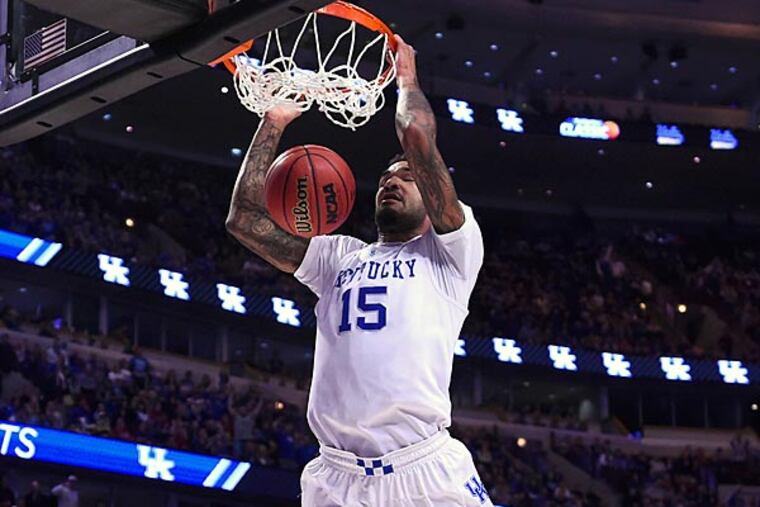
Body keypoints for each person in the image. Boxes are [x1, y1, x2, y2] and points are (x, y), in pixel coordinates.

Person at [226, 34, 491, 506]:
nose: (392, 181)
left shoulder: (452, 254)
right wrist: (273, 121)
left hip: (423, 471)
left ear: (432, 197)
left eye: (407, 176)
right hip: (335, 478)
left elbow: (415, 137)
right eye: (387, 178)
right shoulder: (338, 257)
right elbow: (244, 221)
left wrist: (407, 80)